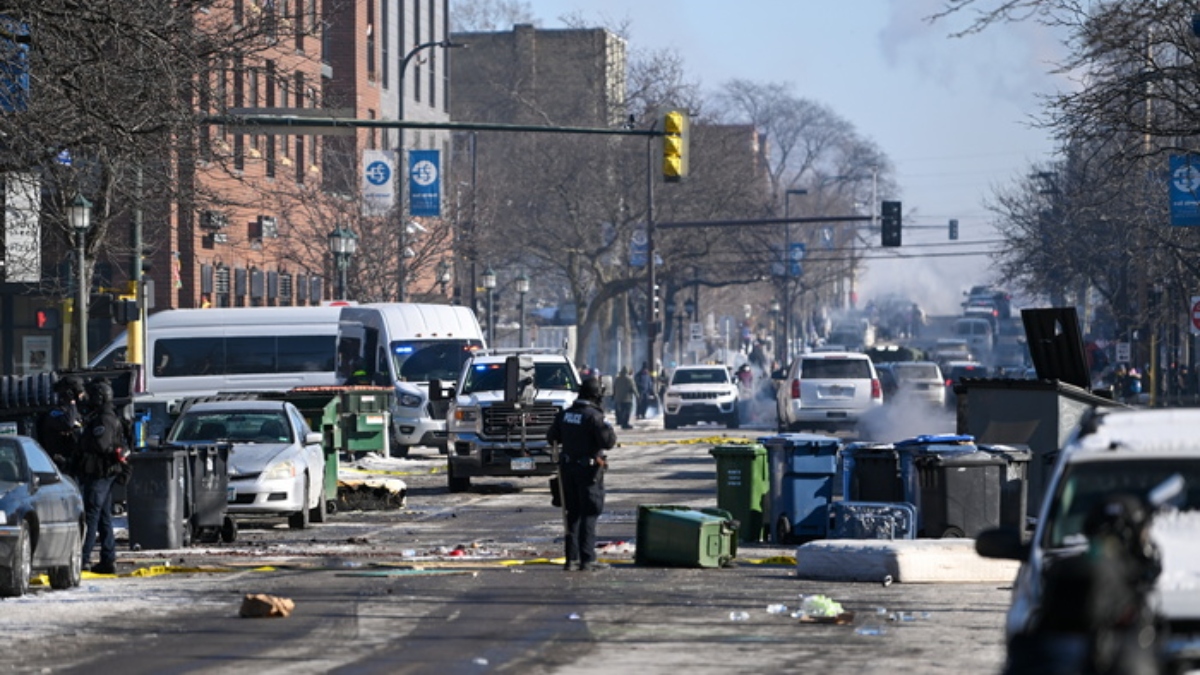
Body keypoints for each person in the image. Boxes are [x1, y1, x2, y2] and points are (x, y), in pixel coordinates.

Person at [546, 377, 616, 572]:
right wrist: (607, 423)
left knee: (572, 513)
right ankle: (587, 559)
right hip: (588, 471)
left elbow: (551, 436)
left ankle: (571, 559)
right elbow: (608, 442)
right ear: (596, 395)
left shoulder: (565, 414)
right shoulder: (594, 416)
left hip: (567, 470)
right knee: (590, 512)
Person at [77, 378, 130, 575]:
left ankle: (83, 558)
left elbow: (101, 445)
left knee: (91, 516)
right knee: (103, 517)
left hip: (99, 473)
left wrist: (84, 442)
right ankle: (108, 558)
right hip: (104, 473)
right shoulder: (106, 416)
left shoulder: (104, 419)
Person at [37, 374, 86, 476]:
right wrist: (71, 402)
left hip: (73, 464)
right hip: (59, 466)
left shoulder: (74, 412)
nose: (82, 395)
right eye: (79, 392)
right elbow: (68, 423)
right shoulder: (55, 413)